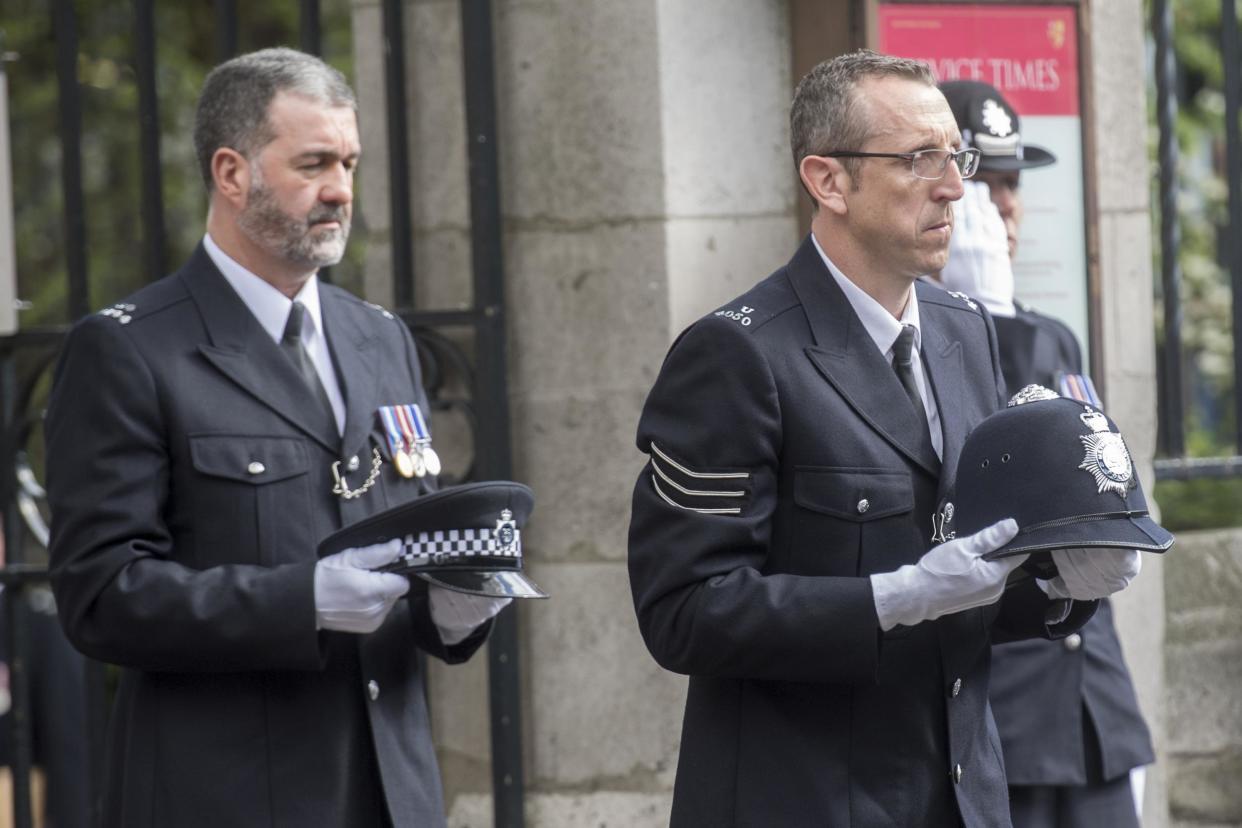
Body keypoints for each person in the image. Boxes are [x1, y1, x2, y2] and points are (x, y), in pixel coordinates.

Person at [627, 50, 1140, 828]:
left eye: (955, 158)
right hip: (803, 801)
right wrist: (892, 600)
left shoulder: (963, 333)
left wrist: (1064, 586)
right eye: (918, 159)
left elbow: (970, 589)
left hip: (959, 797)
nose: (955, 188)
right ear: (828, 180)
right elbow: (686, 611)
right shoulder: (739, 353)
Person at [45, 48, 508, 828]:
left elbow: (409, 532)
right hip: (225, 796)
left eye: (350, 163)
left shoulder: (380, 340)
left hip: (389, 791)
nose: (341, 190)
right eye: (315, 163)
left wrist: (455, 607)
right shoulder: (131, 350)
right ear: (232, 174)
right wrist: (303, 601)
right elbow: (100, 595)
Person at [938, 79, 1155, 828]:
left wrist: (1119, 724)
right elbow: (985, 486)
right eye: (984, 186)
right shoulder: (920, 343)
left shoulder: (1049, 335)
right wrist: (981, 321)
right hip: (1011, 718)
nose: (1005, 207)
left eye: (1013, 185)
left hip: (1090, 710)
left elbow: (1097, 497)